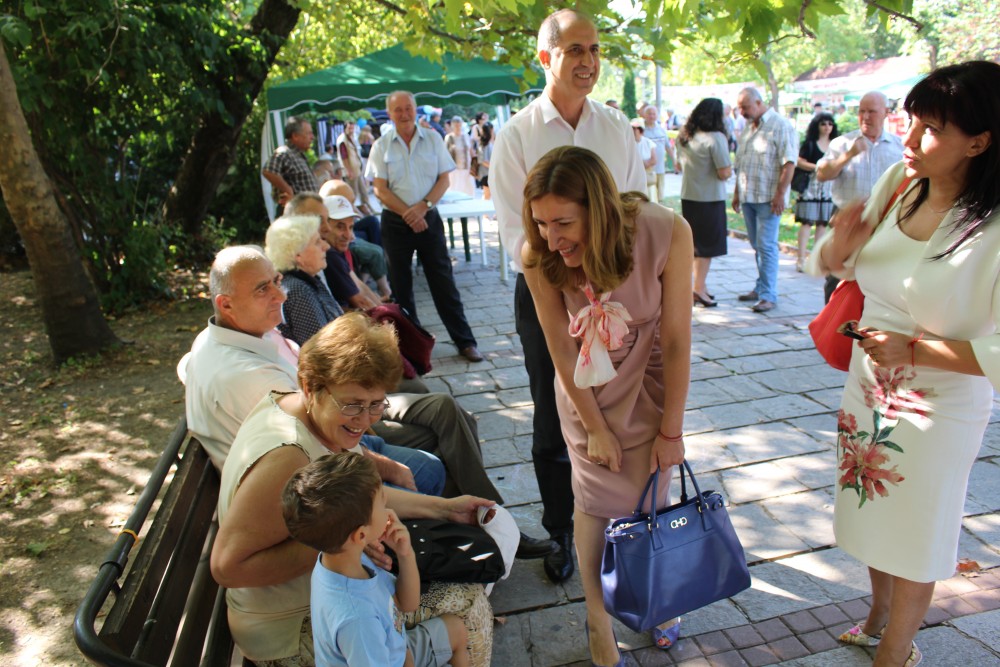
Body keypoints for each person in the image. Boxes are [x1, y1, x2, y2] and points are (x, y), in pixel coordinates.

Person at [807, 60, 1000, 667]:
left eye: (931, 129)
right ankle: (878, 613)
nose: (910, 139)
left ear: (979, 142)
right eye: (911, 121)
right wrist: (838, 247)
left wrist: (914, 349)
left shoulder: (993, 226)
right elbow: (843, 262)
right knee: (872, 509)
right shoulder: (900, 180)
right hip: (869, 385)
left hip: (939, 404)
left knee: (918, 526)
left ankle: (896, 648)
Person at [210, 312, 494, 666]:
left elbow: (360, 498)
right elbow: (227, 568)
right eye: (353, 404)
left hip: (337, 591)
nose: (364, 420)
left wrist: (444, 508)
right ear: (310, 386)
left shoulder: (314, 416)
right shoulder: (289, 457)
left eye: (376, 404)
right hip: (293, 627)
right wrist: (342, 540)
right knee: (469, 600)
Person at [490, 7, 646, 585]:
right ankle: (562, 529)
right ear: (546, 57)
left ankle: (626, 519)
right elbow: (517, 233)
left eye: (595, 49)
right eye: (575, 49)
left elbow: (637, 209)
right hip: (547, 294)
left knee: (626, 404)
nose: (589, 61)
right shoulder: (518, 135)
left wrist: (614, 279)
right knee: (554, 409)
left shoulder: (616, 126)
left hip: (616, 289)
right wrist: (568, 282)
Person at [522, 146, 693, 666]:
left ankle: (657, 594)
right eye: (541, 223)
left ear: (597, 208)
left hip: (652, 379)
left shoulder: (666, 230)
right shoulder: (539, 255)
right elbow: (558, 346)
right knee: (594, 503)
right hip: (586, 387)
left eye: (564, 222)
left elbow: (678, 338)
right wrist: (594, 426)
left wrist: (672, 430)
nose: (552, 238)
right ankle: (597, 616)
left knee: (653, 495)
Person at [282, 452, 469, 667]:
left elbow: (406, 604)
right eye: (382, 501)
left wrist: (405, 554)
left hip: (396, 652)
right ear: (361, 535)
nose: (388, 506)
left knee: (455, 629)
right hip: (393, 658)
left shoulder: (342, 559)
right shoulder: (358, 619)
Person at [365, 91, 483, 363]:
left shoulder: (432, 139)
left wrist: (423, 207)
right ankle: (411, 348)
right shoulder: (381, 145)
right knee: (401, 289)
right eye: (398, 109)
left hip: (428, 217)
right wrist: (408, 213)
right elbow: (380, 189)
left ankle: (465, 342)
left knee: (443, 282)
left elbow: (444, 179)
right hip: (395, 222)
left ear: (416, 109)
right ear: (389, 114)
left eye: (408, 108)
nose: (404, 114)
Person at [816, 91, 903, 301]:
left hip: (884, 222)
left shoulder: (899, 147)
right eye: (861, 111)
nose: (865, 117)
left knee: (877, 279)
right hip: (847, 219)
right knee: (837, 279)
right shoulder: (842, 143)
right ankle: (832, 320)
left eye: (872, 111)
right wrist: (849, 155)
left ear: (886, 113)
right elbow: (822, 174)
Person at [732, 87, 797, 313]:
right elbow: (741, 163)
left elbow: (789, 163)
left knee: (767, 246)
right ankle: (761, 287)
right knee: (757, 245)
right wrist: (737, 193)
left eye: (745, 107)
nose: (742, 112)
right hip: (749, 195)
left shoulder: (780, 125)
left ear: (759, 103)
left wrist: (780, 194)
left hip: (768, 198)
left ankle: (768, 295)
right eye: (740, 108)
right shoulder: (749, 128)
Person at [676, 97, 733, 308]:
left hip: (689, 196)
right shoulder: (716, 138)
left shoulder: (684, 137)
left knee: (695, 244)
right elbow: (724, 172)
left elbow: (679, 166)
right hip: (710, 198)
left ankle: (700, 285)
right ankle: (698, 289)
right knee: (707, 247)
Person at [264, 214, 341, 347]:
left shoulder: (307, 281)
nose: (326, 246)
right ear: (298, 254)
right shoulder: (298, 291)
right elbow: (321, 349)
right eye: (317, 242)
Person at [793, 112, 838, 272]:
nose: (827, 127)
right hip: (811, 188)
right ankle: (800, 259)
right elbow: (799, 161)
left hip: (828, 189)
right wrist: (818, 167)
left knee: (822, 223)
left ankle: (815, 260)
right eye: (823, 124)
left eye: (830, 124)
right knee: (806, 223)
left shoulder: (836, 144)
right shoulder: (810, 144)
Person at [263, 117, 320, 209]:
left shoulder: (299, 156)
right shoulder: (285, 152)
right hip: (295, 212)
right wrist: (288, 190)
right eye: (308, 133)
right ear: (295, 136)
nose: (312, 137)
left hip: (306, 211)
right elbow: (268, 171)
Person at [336, 119, 374, 216]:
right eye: (349, 128)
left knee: (363, 191)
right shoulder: (342, 139)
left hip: (357, 169)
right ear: (345, 128)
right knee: (353, 193)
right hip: (351, 171)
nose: (351, 130)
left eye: (352, 128)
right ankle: (353, 212)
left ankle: (367, 208)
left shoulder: (352, 137)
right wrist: (348, 170)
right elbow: (344, 157)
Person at [642, 105, 669, 202]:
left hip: (660, 169)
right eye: (649, 114)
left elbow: (667, 146)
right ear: (645, 115)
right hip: (647, 169)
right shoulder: (641, 130)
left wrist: (674, 161)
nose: (652, 116)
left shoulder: (661, 129)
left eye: (654, 114)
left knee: (659, 195)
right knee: (648, 197)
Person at [444, 116, 475, 196]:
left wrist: (474, 165)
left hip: (466, 168)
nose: (458, 127)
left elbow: (471, 151)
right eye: (456, 125)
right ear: (452, 126)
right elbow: (445, 153)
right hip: (454, 169)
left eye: (459, 125)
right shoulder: (449, 138)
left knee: (468, 190)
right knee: (455, 189)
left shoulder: (466, 136)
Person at [631, 120, 658, 200]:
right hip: (634, 177)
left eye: (636, 129)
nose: (634, 131)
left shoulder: (648, 142)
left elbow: (654, 160)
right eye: (632, 128)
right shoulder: (628, 143)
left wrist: (642, 165)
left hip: (647, 176)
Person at [474, 122, 494, 199]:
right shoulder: (485, 145)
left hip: (487, 173)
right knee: (487, 195)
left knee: (488, 195)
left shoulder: (486, 144)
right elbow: (482, 161)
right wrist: (493, 168)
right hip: (486, 173)